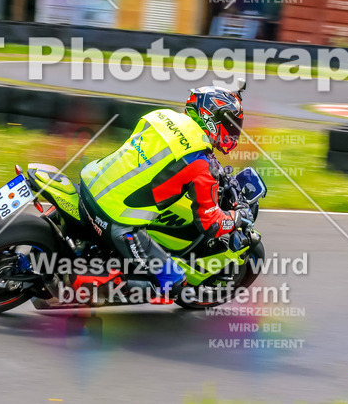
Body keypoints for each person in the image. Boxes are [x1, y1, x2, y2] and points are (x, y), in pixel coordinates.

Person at [77, 79, 252, 301]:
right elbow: (211, 223)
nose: (233, 131)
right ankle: (98, 288)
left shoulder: (161, 116)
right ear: (212, 119)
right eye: (231, 125)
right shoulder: (202, 163)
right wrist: (237, 217)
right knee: (175, 281)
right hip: (114, 220)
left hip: (88, 184)